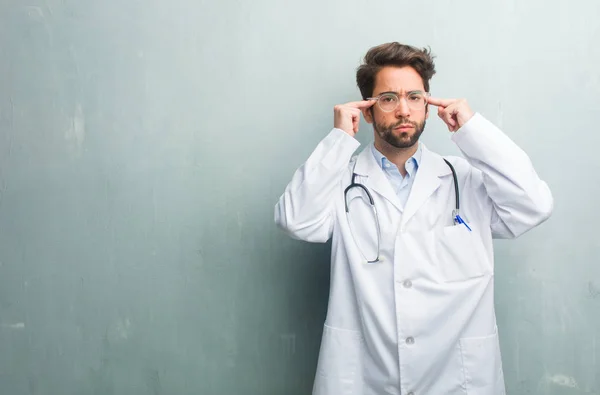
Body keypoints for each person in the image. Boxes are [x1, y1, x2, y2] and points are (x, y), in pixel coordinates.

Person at [274, 42, 553, 395]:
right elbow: (295, 221)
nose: (403, 110)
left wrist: (472, 131)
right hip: (365, 378)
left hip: (457, 378)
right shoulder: (341, 180)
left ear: (428, 104)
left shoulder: (464, 179)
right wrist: (339, 139)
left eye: (415, 97)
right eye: (388, 98)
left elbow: (535, 205)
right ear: (369, 111)